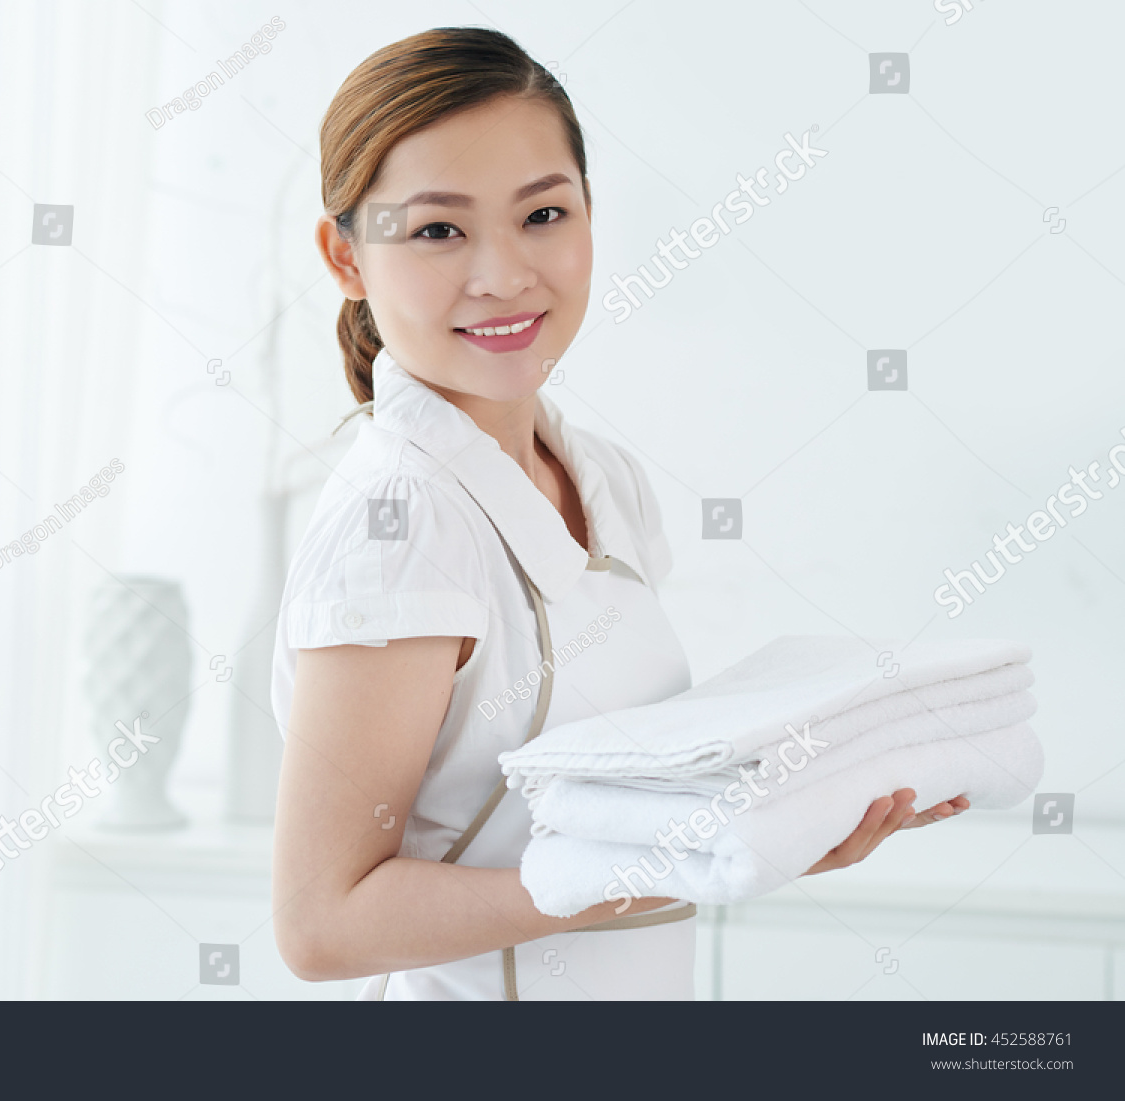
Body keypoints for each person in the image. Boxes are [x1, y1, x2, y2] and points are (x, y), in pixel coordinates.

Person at [269, 26, 967, 1001]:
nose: (505, 274)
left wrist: (764, 834)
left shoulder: (599, 479)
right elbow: (323, 922)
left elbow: (611, 815)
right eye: (438, 230)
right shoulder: (404, 524)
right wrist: (668, 868)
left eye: (542, 214)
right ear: (345, 258)